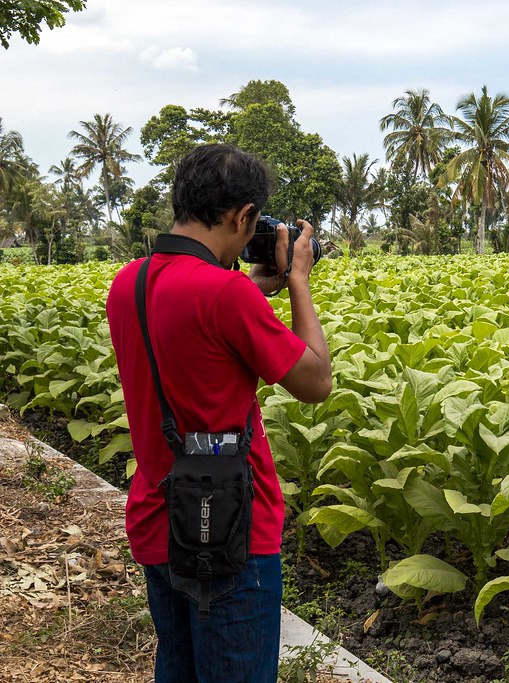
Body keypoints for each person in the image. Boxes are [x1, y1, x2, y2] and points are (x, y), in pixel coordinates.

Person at [106, 143, 332, 682]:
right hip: (229, 531)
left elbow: (188, 322)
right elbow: (316, 381)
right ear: (244, 217)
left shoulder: (128, 283)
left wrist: (250, 288)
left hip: (159, 520)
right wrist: (297, 280)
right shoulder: (227, 294)